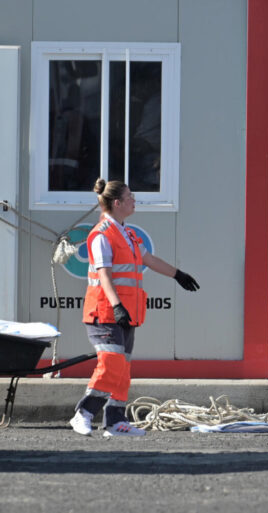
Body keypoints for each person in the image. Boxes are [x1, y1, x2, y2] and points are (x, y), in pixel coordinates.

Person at [69, 179, 200, 437]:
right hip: (105, 312)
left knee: (122, 369)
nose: (134, 200)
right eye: (130, 196)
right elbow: (104, 275)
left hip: (125, 314)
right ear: (117, 203)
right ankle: (83, 413)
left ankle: (115, 421)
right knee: (111, 365)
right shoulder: (101, 234)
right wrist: (117, 305)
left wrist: (177, 274)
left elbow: (148, 259)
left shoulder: (127, 234)